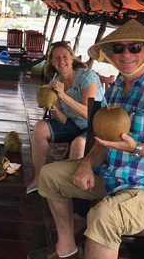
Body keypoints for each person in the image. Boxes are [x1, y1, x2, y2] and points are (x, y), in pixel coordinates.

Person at [27, 19, 144, 259]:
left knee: (104, 216)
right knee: (50, 176)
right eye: (119, 48)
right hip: (114, 176)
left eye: (135, 47)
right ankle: (66, 249)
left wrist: (137, 148)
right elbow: (104, 141)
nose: (126, 54)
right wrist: (87, 164)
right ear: (112, 54)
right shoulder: (117, 88)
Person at [26, 41, 103, 194]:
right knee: (40, 128)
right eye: (56, 58)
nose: (61, 61)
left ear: (72, 57)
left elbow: (89, 113)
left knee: (78, 144)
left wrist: (62, 95)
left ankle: (68, 189)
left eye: (65, 57)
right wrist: (52, 106)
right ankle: (37, 179)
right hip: (73, 123)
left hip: (94, 126)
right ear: (52, 63)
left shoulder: (87, 77)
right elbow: (61, 119)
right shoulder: (55, 82)